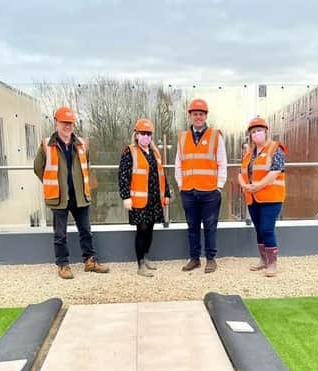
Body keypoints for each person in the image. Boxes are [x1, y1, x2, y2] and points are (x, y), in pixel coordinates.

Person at [34, 106, 109, 279]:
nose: (67, 126)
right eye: (64, 123)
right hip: (59, 197)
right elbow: (38, 168)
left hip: (79, 196)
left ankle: (90, 261)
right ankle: (63, 265)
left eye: (70, 123)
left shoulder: (81, 144)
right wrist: (51, 184)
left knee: (86, 230)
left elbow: (86, 167)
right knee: (60, 234)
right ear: (56, 123)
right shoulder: (47, 145)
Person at [175, 98, 227, 273]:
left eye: (201, 114)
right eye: (195, 114)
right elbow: (178, 163)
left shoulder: (215, 136)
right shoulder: (182, 137)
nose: (198, 117)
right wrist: (181, 185)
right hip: (189, 191)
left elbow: (222, 162)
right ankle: (194, 258)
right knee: (192, 227)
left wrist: (219, 185)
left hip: (210, 191)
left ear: (206, 116)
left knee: (210, 226)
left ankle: (211, 259)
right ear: (190, 116)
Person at [118, 118, 171, 277]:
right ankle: (140, 263)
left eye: (148, 134)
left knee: (150, 229)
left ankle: (145, 256)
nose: (146, 137)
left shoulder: (155, 152)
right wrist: (125, 197)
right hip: (139, 199)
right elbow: (123, 175)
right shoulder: (129, 151)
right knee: (141, 230)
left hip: (154, 199)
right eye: (143, 133)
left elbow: (162, 174)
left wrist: (166, 193)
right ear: (136, 135)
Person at [238, 117, 286, 277]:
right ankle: (263, 260)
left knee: (267, 229)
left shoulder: (275, 149)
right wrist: (245, 186)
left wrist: (257, 186)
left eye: (259, 130)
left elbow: (275, 172)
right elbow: (241, 173)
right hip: (253, 198)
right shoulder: (249, 154)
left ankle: (273, 263)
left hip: (271, 197)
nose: (256, 134)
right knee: (259, 229)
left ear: (266, 132)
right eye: (253, 132)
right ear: (250, 135)